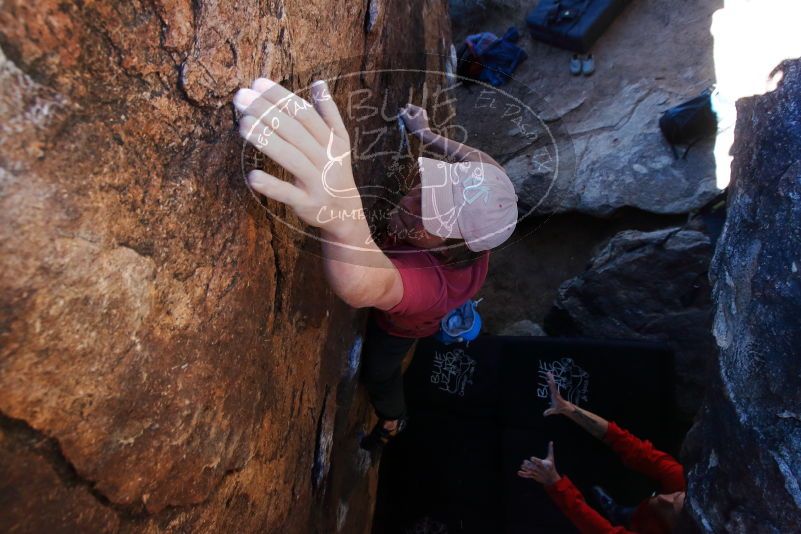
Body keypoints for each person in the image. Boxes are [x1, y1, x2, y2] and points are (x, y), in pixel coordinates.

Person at [233, 78, 518, 449]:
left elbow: (366, 286)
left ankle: (393, 417)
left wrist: (343, 218)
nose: (410, 203)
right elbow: (479, 160)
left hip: (404, 326)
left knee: (379, 371)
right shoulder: (492, 189)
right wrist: (427, 134)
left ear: (450, 250)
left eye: (428, 218)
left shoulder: (433, 286)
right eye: (428, 191)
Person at [517, 373, 686, 533]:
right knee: (630, 513)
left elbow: (599, 530)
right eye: (678, 495)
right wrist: (569, 409)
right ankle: (618, 512)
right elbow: (627, 444)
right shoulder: (681, 479)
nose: (665, 499)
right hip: (643, 516)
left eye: (671, 509)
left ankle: (619, 514)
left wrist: (554, 482)